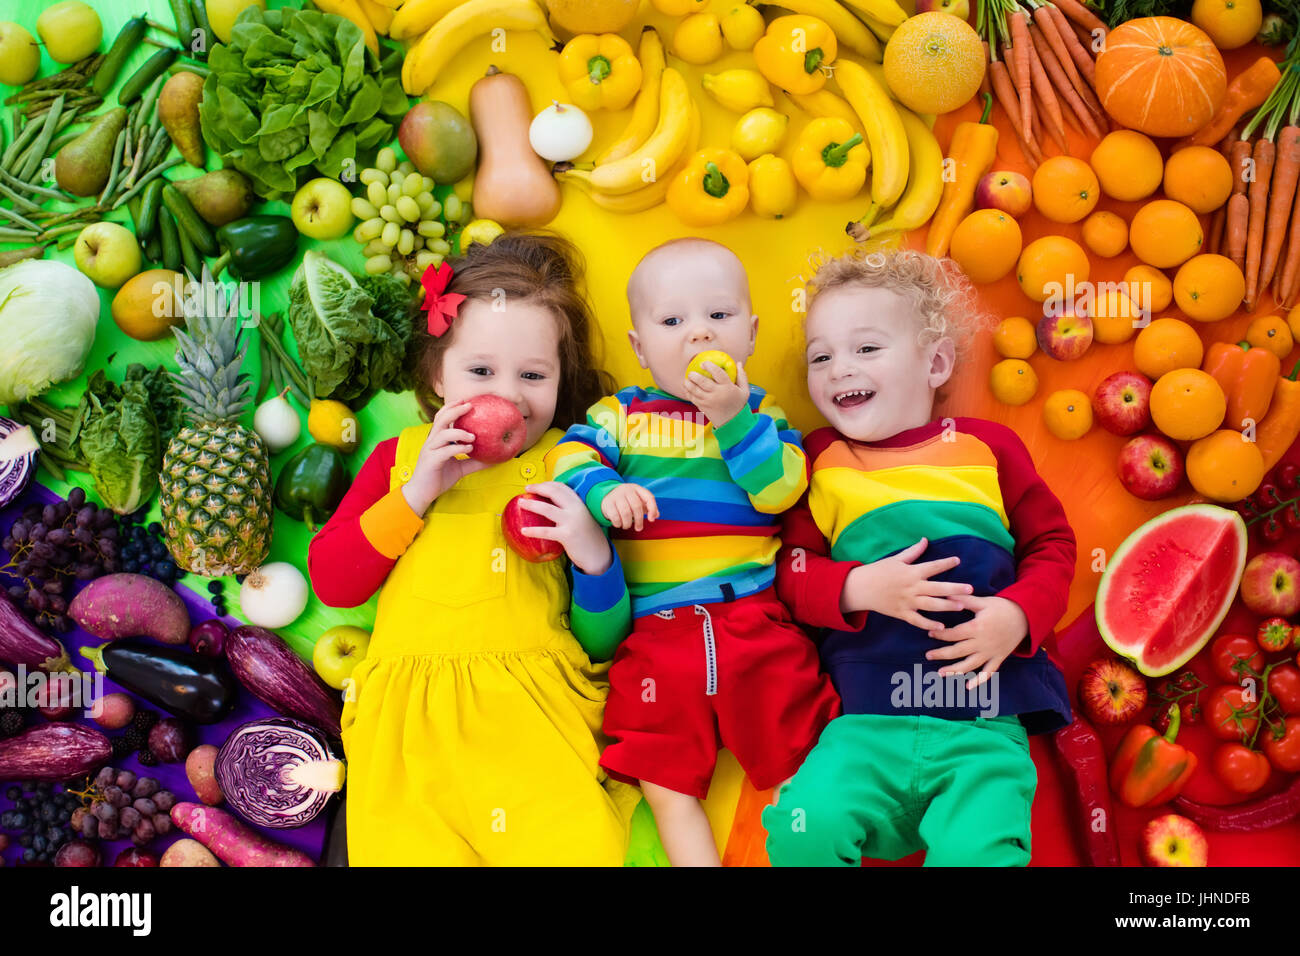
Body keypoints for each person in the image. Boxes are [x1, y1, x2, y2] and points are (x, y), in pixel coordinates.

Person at [308, 233, 639, 865]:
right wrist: (415, 494)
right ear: (437, 372)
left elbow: (605, 643)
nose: (509, 396)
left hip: (532, 716)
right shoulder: (401, 459)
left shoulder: (572, 463)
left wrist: (594, 556)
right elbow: (334, 584)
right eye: (481, 371)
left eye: (534, 375)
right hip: (413, 729)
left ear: (562, 378)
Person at [762, 248, 1075, 867]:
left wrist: (1016, 616)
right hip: (861, 729)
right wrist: (858, 588)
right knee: (802, 830)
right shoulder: (819, 458)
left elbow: (1053, 546)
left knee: (981, 850)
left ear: (934, 362)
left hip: (982, 725)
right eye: (820, 356)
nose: (837, 368)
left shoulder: (987, 446)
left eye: (866, 349)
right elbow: (791, 572)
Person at [547, 237, 840, 867]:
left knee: (803, 752)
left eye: (719, 317)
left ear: (752, 334)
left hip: (756, 625)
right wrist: (606, 491)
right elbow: (565, 458)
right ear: (640, 349)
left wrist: (735, 418)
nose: (699, 336)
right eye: (673, 322)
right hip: (658, 635)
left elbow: (782, 490)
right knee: (665, 781)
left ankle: (808, 848)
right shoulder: (620, 415)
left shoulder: (765, 416)